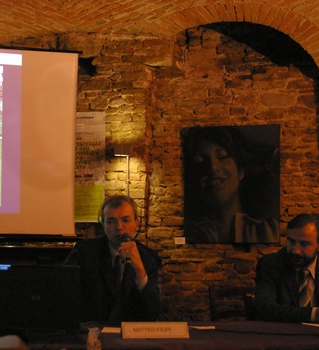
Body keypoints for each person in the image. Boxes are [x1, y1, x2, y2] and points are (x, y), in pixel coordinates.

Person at [64, 195, 161, 327]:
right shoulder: (85, 251)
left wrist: (139, 270)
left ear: (136, 223)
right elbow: (65, 291)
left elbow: (153, 311)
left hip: (130, 334)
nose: (119, 227)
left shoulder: (149, 258)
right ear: (103, 225)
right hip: (92, 330)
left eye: (125, 220)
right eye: (111, 221)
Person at [183, 125, 279, 243]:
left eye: (222, 157)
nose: (212, 168)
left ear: (241, 170)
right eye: (200, 161)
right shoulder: (189, 234)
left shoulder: (269, 231)